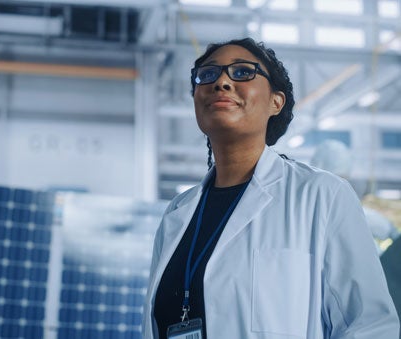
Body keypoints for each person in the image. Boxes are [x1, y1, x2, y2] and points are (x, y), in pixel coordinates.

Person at [142, 37, 399, 339]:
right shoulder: (178, 213)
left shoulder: (320, 195)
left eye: (242, 72)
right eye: (207, 74)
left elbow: (370, 326)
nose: (221, 81)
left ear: (276, 102)